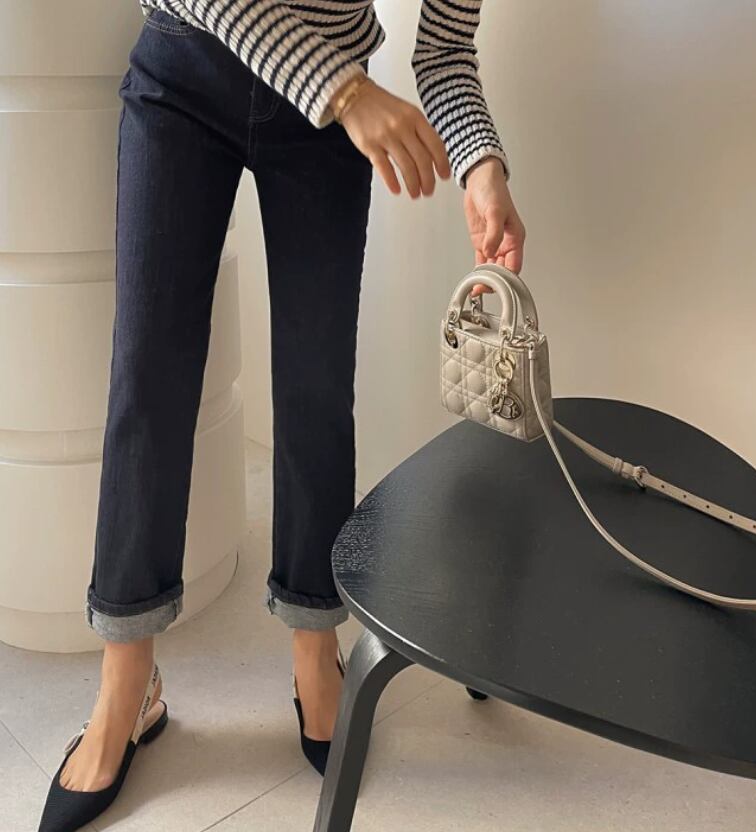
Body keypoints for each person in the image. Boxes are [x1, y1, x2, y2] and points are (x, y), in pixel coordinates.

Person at [38, 1, 526, 829]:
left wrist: (482, 167)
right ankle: (126, 684)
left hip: (325, 116)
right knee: (149, 383)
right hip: (187, 71)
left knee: (316, 384)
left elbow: (444, 49)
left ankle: (313, 649)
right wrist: (346, 91)